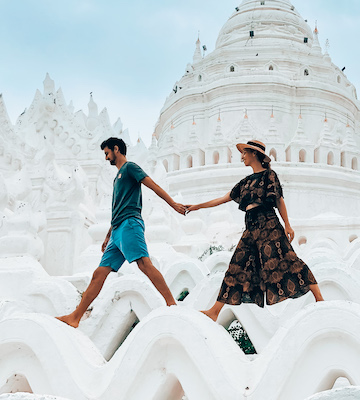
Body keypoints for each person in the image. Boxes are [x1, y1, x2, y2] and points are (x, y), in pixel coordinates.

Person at [185, 139, 323, 320]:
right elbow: (222, 198)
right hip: (250, 227)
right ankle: (215, 311)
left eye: (244, 153)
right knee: (236, 266)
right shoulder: (245, 182)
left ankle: (319, 298)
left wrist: (288, 225)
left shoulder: (269, 175)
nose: (242, 157)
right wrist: (196, 206)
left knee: (287, 259)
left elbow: (279, 200)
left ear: (254, 154)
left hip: (268, 223)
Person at [57, 137, 185, 327]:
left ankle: (172, 304)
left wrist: (173, 203)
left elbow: (154, 185)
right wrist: (108, 235)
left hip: (130, 224)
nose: (106, 157)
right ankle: (75, 317)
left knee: (144, 264)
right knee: (99, 274)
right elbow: (117, 207)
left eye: (107, 153)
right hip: (117, 230)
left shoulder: (130, 168)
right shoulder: (116, 178)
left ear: (117, 149)